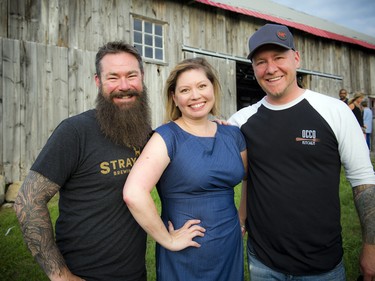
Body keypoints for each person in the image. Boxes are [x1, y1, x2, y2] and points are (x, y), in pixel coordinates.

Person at [228, 23, 375, 280]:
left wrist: (371, 248)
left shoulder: (334, 112)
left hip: (323, 265)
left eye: (278, 58)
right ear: (253, 68)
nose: (271, 68)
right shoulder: (241, 121)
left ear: (296, 58)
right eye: (261, 61)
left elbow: (364, 181)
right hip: (263, 263)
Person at [14, 41, 152, 281]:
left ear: (142, 76)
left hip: (135, 274)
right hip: (84, 274)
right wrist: (61, 275)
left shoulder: (145, 134)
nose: (124, 86)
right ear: (98, 81)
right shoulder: (75, 132)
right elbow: (28, 202)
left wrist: (214, 127)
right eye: (113, 77)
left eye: (131, 75)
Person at [123, 57, 247, 281]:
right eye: (185, 90)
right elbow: (133, 193)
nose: (196, 95)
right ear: (175, 97)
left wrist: (242, 217)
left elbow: (249, 179)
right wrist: (168, 239)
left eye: (202, 86)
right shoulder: (167, 137)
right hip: (186, 252)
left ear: (213, 88)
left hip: (229, 245)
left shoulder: (233, 135)